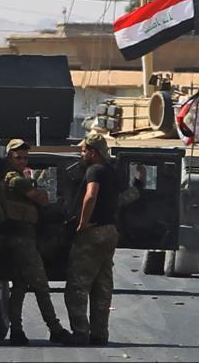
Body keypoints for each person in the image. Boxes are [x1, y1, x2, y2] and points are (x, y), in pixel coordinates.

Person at [63, 132, 140, 346]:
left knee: (77, 286)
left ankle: (80, 334)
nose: (82, 153)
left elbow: (91, 195)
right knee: (102, 285)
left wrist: (82, 223)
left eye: (84, 150)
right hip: (110, 231)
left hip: (93, 232)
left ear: (93, 152)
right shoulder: (112, 171)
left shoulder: (95, 170)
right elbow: (120, 199)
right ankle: (100, 334)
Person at [0, 138, 71, 345]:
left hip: (22, 237)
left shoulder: (19, 177)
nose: (22, 161)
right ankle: (55, 328)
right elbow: (41, 198)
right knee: (41, 285)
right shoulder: (15, 179)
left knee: (20, 287)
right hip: (21, 240)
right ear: (9, 157)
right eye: (18, 157)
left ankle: (17, 331)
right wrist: (39, 192)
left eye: (25, 158)